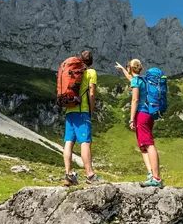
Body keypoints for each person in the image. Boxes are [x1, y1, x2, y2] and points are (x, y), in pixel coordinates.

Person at [115, 59, 163, 188]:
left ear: (131, 68)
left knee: (148, 144)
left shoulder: (136, 81)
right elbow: (131, 78)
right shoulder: (143, 80)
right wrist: (122, 69)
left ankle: (156, 178)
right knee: (143, 146)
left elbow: (135, 99)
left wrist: (131, 119)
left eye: (127, 67)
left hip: (141, 115)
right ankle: (150, 173)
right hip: (149, 115)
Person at [63, 50, 104, 187]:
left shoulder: (73, 71)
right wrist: (91, 110)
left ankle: (69, 175)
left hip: (70, 110)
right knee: (85, 142)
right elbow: (91, 94)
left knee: (69, 142)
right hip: (82, 111)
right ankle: (90, 175)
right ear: (91, 61)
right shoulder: (91, 73)